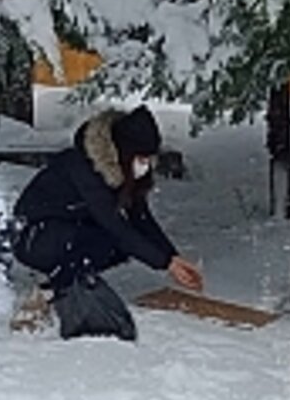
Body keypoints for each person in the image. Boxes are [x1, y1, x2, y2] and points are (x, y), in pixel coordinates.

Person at [12, 105, 203, 331]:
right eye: (141, 158)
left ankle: (63, 281)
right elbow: (113, 224)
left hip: (69, 225)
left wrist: (172, 256)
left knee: (117, 246)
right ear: (123, 152)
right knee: (108, 240)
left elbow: (140, 217)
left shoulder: (125, 170)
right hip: (33, 235)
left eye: (149, 158)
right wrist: (165, 263)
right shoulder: (83, 166)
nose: (146, 165)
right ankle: (48, 292)